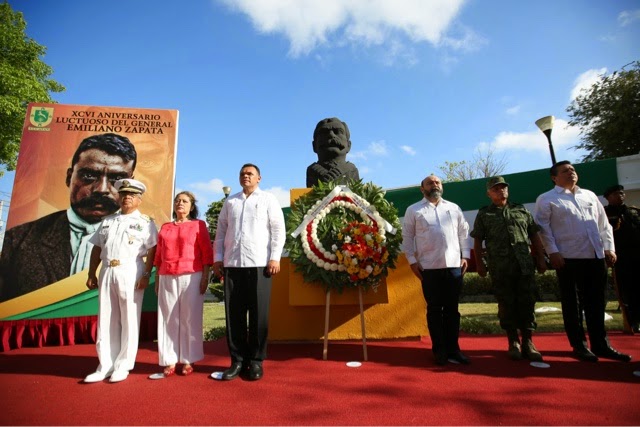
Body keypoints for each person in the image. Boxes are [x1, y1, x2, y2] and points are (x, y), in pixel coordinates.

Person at [0, 133, 137, 302]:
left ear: (129, 185)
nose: (101, 189)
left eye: (116, 179)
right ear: (69, 177)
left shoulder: (142, 235)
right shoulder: (18, 240)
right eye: (89, 176)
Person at [534, 161, 631, 362]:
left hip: (595, 257)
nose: (571, 173)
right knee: (573, 305)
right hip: (568, 258)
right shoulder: (546, 199)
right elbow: (543, 228)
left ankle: (601, 344)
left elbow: (603, 225)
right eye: (565, 171)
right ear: (554, 178)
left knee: (596, 303)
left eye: (572, 170)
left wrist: (609, 248)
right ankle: (579, 346)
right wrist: (552, 252)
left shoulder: (589, 196)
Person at [212, 163, 285, 381]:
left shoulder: (268, 199)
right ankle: (237, 361)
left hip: (259, 264)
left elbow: (278, 230)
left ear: (259, 178)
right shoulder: (230, 201)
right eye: (243, 174)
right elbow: (221, 231)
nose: (246, 176)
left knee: (258, 315)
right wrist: (217, 259)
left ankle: (255, 361)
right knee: (234, 316)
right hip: (233, 264)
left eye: (250, 174)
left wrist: (275, 257)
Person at [83, 179, 158, 383]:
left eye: (132, 195)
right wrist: (91, 273)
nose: (127, 198)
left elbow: (152, 250)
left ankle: (123, 365)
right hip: (108, 270)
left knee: (129, 319)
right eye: (124, 194)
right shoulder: (107, 221)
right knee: (106, 318)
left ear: (139, 200)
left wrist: (146, 275)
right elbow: (97, 247)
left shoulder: (146, 223)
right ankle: (105, 364)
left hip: (130, 270)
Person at [471, 176, 547, 361]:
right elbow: (478, 240)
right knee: (506, 303)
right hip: (500, 267)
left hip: (524, 265)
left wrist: (541, 258)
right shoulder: (484, 214)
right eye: (496, 189)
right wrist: (480, 264)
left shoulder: (521, 210)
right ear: (489, 193)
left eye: (503, 188)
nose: (501, 191)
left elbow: (534, 235)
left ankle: (528, 341)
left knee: (527, 302)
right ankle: (513, 341)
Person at [402, 174, 471, 366]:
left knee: (452, 310)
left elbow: (463, 233)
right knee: (434, 310)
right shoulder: (414, 210)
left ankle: (454, 349)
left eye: (438, 182)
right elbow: (407, 237)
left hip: (454, 266)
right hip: (429, 268)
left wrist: (466, 256)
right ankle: (439, 350)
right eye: (430, 183)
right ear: (422, 189)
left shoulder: (453, 207)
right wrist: (412, 261)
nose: (435, 185)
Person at [154, 191, 213, 377]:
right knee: (167, 318)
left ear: (192, 206)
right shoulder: (165, 227)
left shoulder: (198, 225)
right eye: (177, 200)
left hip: (192, 275)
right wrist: (156, 279)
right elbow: (158, 256)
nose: (180, 203)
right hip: (166, 274)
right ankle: (169, 359)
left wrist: (205, 277)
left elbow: (206, 253)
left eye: (185, 201)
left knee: (190, 317)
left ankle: (189, 359)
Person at [604, 184, 640, 333]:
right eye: (615, 194)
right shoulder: (604, 214)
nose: (619, 196)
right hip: (620, 257)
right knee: (625, 290)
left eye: (621, 193)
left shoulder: (634, 212)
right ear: (608, 198)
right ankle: (631, 322)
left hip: (637, 255)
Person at [306, 117, 360, 188]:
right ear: (314, 146)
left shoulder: (352, 170)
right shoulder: (312, 171)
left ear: (348, 145)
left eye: (338, 131)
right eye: (323, 133)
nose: (331, 135)